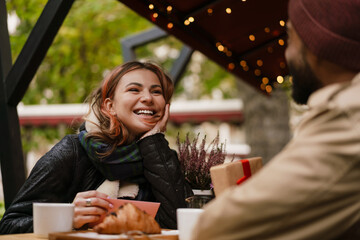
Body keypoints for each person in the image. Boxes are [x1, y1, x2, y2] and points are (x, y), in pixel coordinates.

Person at [192, 0, 360, 239]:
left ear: (318, 44)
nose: (285, 54)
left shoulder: (346, 116)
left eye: (290, 39)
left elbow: (216, 228)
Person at [0, 61, 192, 234]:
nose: (148, 98)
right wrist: (68, 218)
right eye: (134, 89)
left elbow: (181, 225)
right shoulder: (73, 151)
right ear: (110, 106)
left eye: (156, 92)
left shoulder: (163, 158)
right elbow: (9, 225)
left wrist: (154, 141)